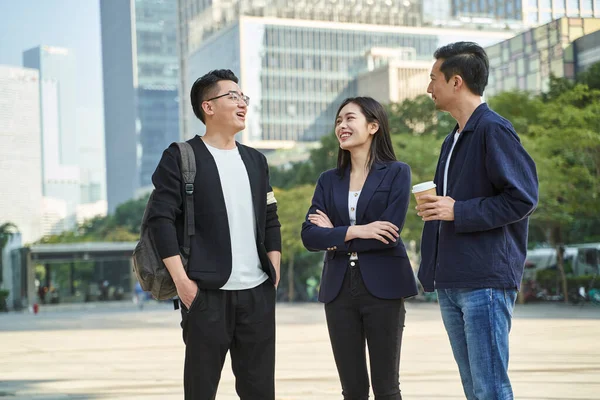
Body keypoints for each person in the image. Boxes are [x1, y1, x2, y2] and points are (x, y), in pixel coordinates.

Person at [147, 69, 282, 400]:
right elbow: (160, 220)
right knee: (200, 390)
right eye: (232, 96)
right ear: (208, 107)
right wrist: (183, 283)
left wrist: (273, 273)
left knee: (260, 391)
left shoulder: (256, 160)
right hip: (205, 293)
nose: (242, 104)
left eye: (243, 97)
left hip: (257, 294)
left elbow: (270, 217)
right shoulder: (181, 156)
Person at [417, 42, 539, 400]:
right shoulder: (451, 139)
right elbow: (455, 203)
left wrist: (459, 210)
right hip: (453, 279)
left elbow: (522, 197)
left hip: (484, 280)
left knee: (490, 388)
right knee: (474, 388)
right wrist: (439, 210)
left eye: (433, 79)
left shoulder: (494, 130)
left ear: (456, 82)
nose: (428, 89)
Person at [301, 97, 418, 400]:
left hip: (384, 287)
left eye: (350, 118)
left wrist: (335, 235)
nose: (342, 126)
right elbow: (310, 236)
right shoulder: (328, 180)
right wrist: (358, 230)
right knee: (352, 389)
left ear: (373, 125)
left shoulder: (397, 172)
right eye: (339, 121)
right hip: (338, 291)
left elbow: (388, 233)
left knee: (386, 388)